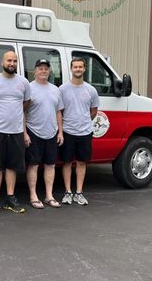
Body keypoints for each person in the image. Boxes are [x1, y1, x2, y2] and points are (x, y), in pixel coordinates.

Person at [0, 50, 31, 213]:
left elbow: (26, 103)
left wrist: (13, 115)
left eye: (15, 61)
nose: (12, 64)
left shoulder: (23, 82)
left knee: (12, 166)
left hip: (16, 131)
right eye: (9, 60)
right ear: (2, 62)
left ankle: (10, 197)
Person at [24, 59, 64, 209]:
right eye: (40, 68)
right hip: (34, 131)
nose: (43, 71)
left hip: (52, 133)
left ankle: (49, 196)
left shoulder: (55, 89)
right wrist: (25, 133)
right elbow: (22, 112)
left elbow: (58, 111)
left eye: (46, 69)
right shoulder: (28, 88)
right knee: (33, 165)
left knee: (50, 165)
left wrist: (60, 132)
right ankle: (33, 196)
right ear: (35, 71)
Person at [60, 57, 99, 206]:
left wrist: (83, 121)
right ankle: (68, 192)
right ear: (71, 69)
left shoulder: (91, 90)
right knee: (67, 162)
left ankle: (79, 193)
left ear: (84, 69)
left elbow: (94, 111)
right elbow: (60, 110)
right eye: (75, 67)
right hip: (68, 131)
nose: (77, 69)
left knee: (82, 163)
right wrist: (69, 123)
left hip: (85, 132)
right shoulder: (63, 89)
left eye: (80, 67)